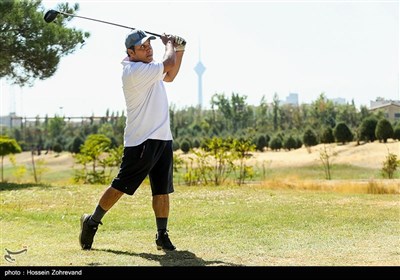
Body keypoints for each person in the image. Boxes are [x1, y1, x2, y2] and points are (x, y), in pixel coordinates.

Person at [79, 30, 185, 251]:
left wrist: (180, 48)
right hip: (141, 141)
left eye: (149, 45)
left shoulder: (149, 68)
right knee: (120, 187)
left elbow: (171, 75)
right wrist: (169, 44)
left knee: (162, 190)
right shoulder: (134, 71)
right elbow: (168, 62)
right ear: (130, 52)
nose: (148, 50)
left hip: (162, 138)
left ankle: (162, 235)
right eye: (142, 47)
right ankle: (92, 222)